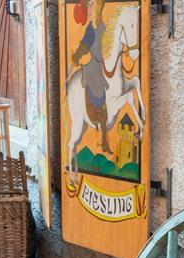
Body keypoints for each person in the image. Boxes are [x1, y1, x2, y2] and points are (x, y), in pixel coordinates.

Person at [72, 0, 112, 154]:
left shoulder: (103, 26)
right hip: (94, 67)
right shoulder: (91, 29)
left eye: (92, 5)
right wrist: (77, 55)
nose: (89, 8)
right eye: (88, 5)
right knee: (96, 88)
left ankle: (104, 139)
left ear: (99, 6)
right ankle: (94, 113)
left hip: (103, 64)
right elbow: (84, 46)